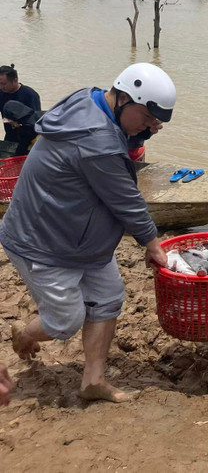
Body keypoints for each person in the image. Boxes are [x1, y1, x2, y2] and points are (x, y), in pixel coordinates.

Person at [0, 63, 175, 403]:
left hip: (77, 233)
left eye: (159, 121)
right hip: (42, 241)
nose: (153, 125)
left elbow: (116, 139)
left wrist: (139, 131)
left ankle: (92, 381)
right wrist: (153, 243)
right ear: (124, 98)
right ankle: (24, 331)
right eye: (149, 117)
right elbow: (126, 200)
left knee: (108, 299)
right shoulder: (96, 142)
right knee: (65, 321)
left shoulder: (90, 100)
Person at [0, 65, 41, 155]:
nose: (1, 87)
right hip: (9, 139)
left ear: (15, 80)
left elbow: (37, 122)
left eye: (4, 84)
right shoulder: (1, 94)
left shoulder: (30, 95)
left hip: (28, 141)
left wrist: (16, 123)